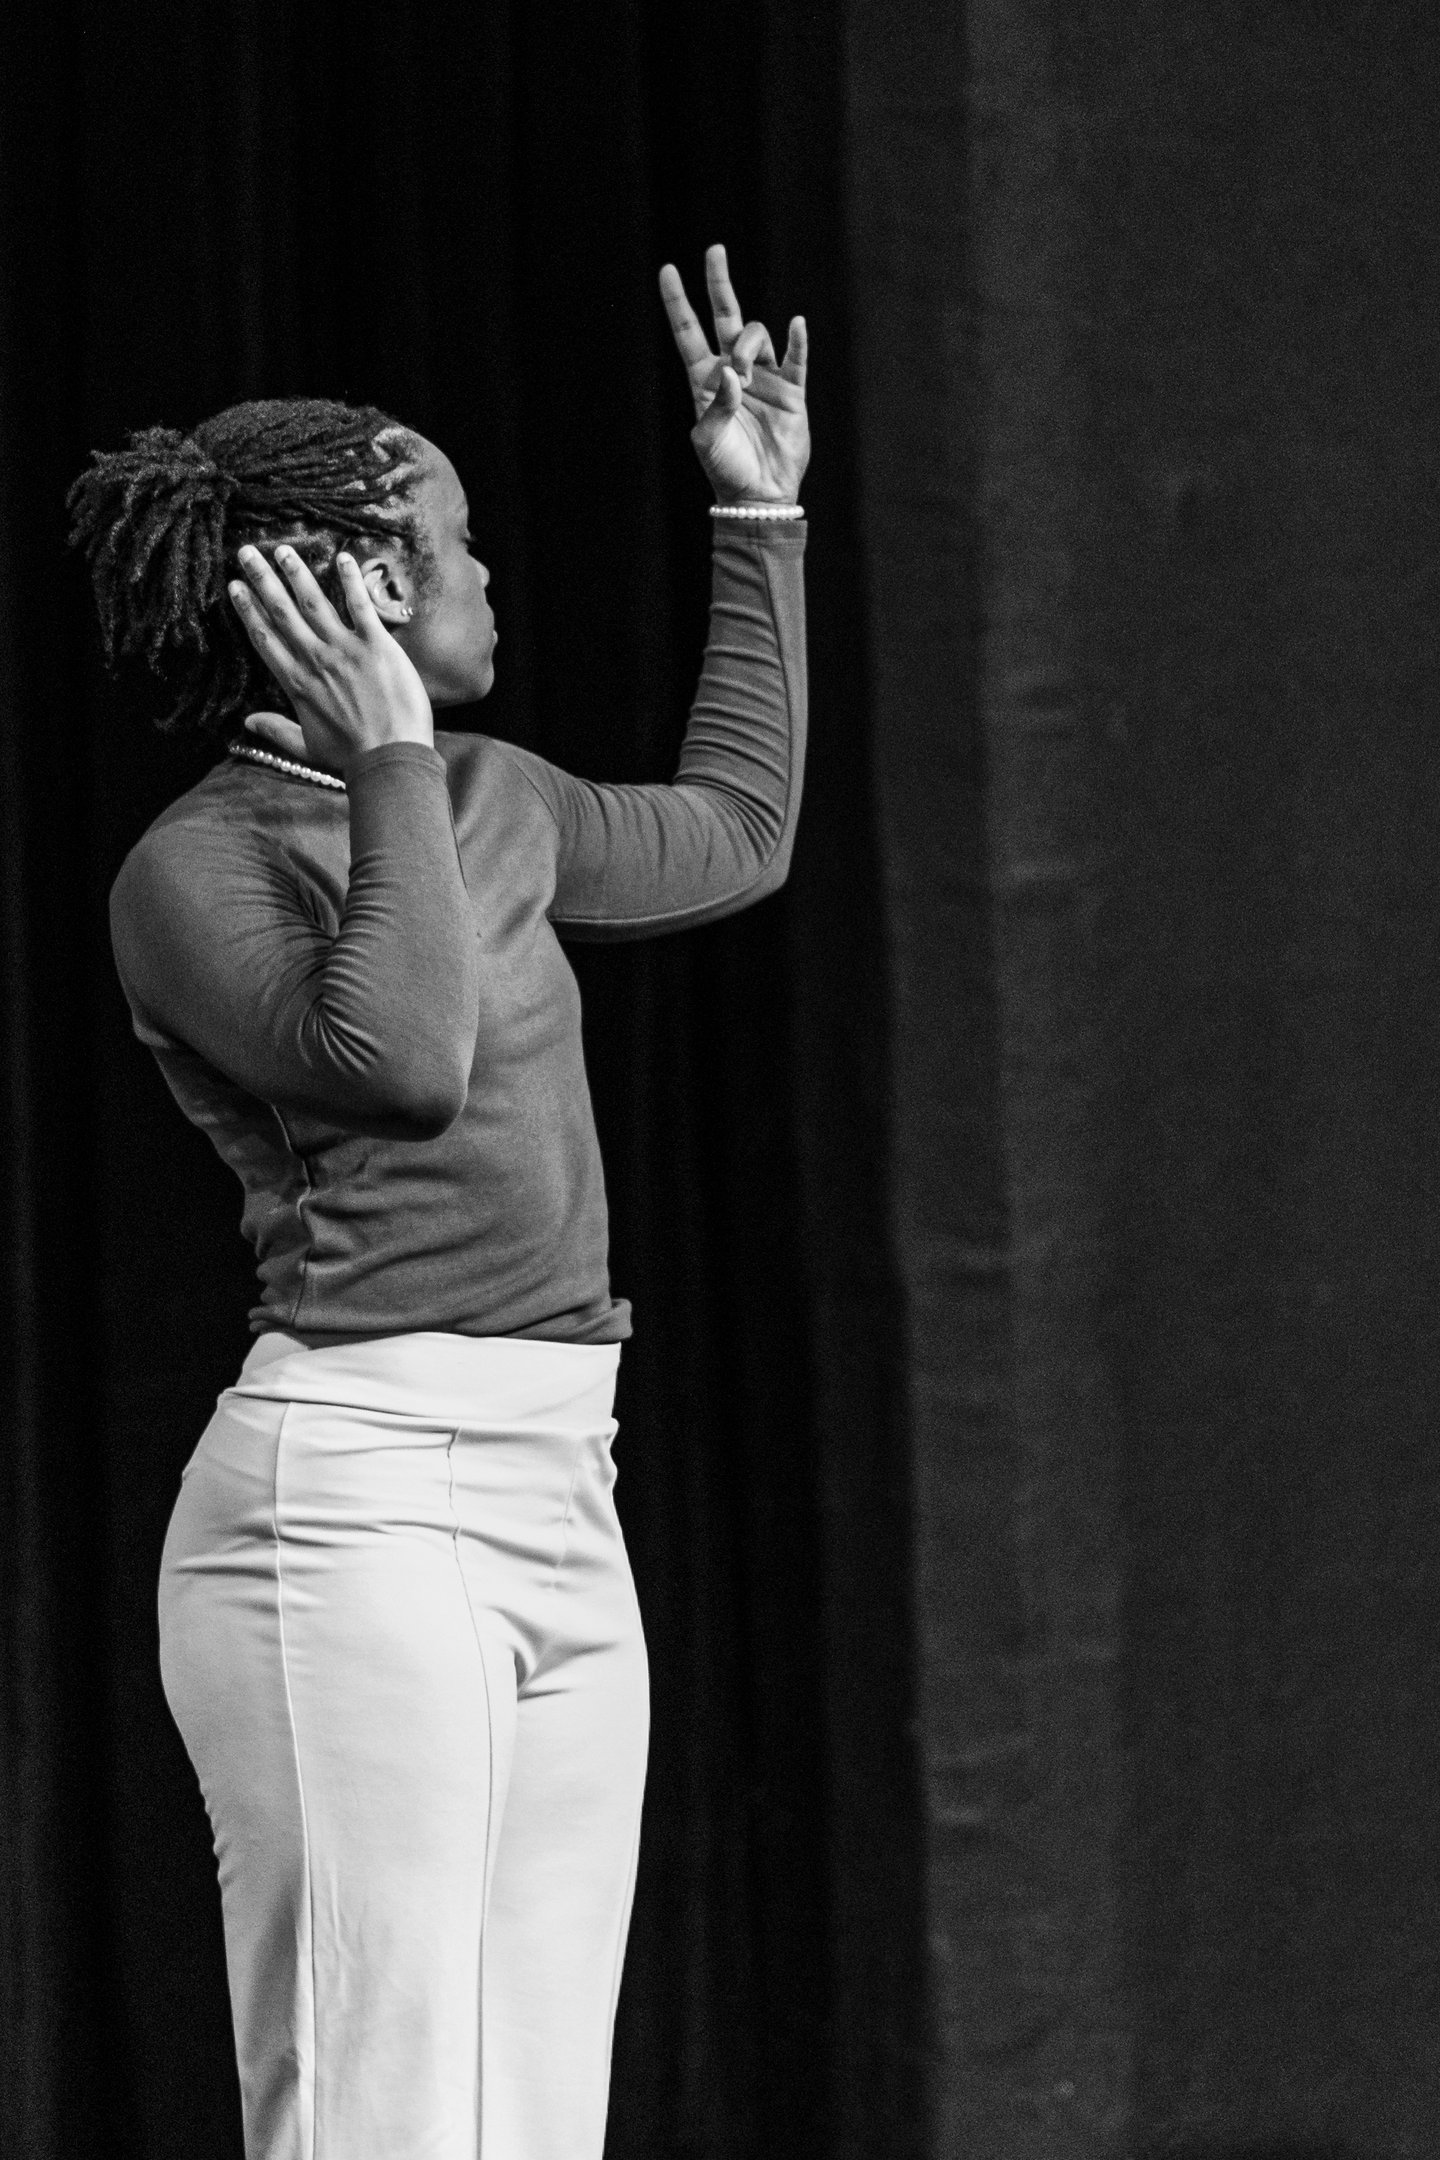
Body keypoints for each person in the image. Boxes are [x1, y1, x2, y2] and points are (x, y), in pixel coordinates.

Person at [66, 244, 809, 2160]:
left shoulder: (498, 796)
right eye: (458, 543)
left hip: (564, 1485)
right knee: (380, 2111)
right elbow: (399, 1058)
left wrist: (758, 512)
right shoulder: (196, 868)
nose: (490, 575)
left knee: (532, 2119)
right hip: (355, 1509)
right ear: (374, 585)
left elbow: (738, 835)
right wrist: (388, 750)